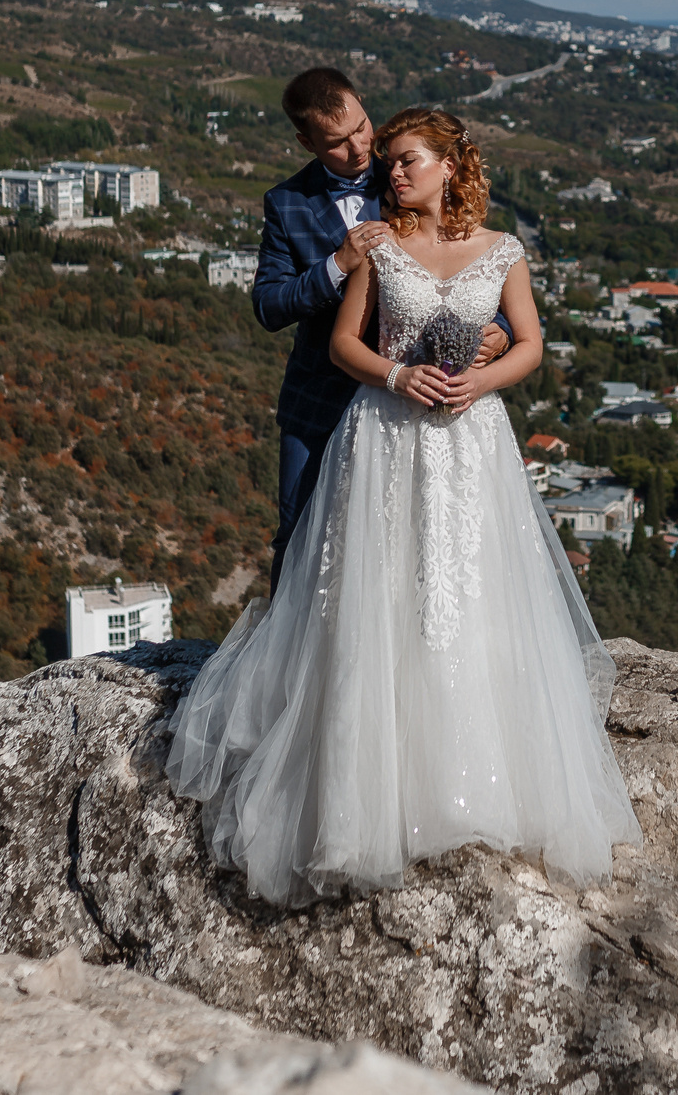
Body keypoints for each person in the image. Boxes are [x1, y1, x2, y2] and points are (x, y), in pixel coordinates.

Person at [168, 105, 642, 907]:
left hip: (471, 443)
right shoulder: (379, 250)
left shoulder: (502, 252)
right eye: (387, 161)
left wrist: (477, 380)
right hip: (386, 435)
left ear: (452, 166)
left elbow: (528, 342)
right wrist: (397, 376)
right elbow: (341, 344)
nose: (392, 172)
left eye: (409, 160)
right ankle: (368, 783)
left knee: (469, 589)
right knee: (380, 591)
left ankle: (472, 776)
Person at [250, 68, 505, 596]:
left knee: (413, 539)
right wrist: (336, 265)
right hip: (320, 398)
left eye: (361, 127)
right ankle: (290, 671)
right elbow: (270, 306)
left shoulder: (411, 173)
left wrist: (498, 329)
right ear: (306, 142)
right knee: (299, 534)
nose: (360, 147)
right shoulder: (287, 203)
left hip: (413, 406)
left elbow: (476, 265)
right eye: (337, 143)